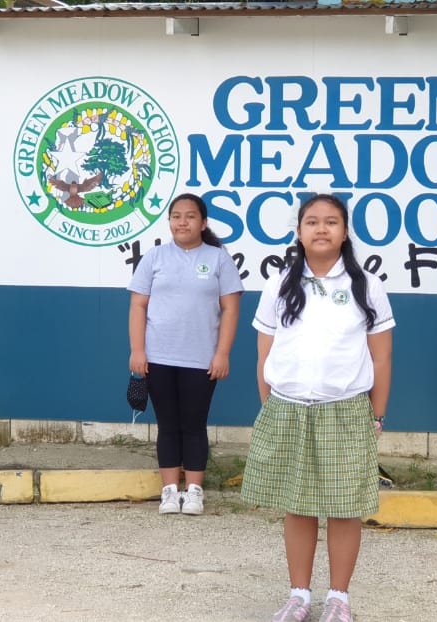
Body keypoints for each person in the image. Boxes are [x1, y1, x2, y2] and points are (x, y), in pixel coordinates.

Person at [240, 194, 394, 622]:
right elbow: (264, 351)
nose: (321, 229)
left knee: (345, 507)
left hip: (345, 410)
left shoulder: (365, 284)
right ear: (299, 232)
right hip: (288, 408)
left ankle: (339, 598)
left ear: (345, 232)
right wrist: (268, 404)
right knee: (299, 504)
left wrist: (376, 414)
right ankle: (299, 596)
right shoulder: (280, 283)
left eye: (331, 222)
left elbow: (381, 356)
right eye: (312, 222)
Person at [127, 192, 242, 515]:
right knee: (167, 424)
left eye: (190, 216)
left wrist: (222, 353)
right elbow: (138, 305)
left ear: (203, 223)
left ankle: (193, 492)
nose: (182, 222)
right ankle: (169, 491)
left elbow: (231, 309)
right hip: (158, 357)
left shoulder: (218, 258)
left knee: (194, 424)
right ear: (169, 221)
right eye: (176, 216)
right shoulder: (155, 257)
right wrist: (138, 349)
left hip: (201, 360)